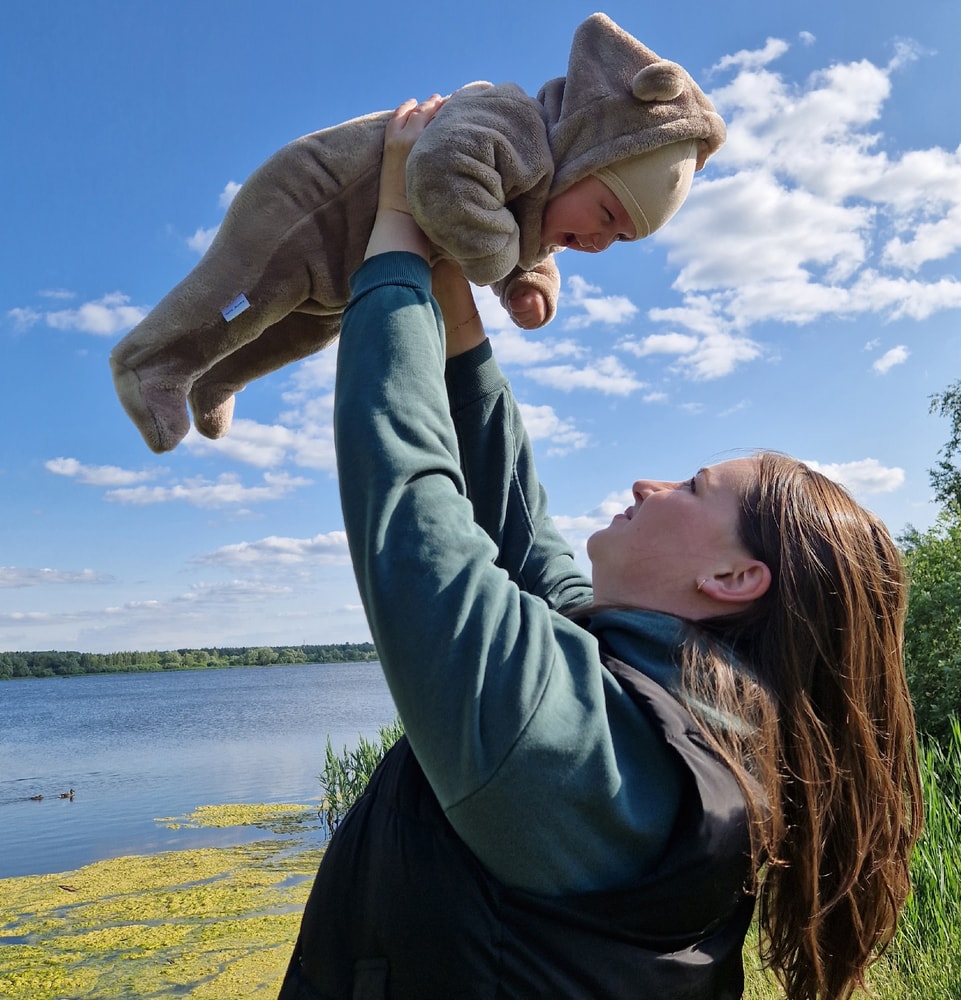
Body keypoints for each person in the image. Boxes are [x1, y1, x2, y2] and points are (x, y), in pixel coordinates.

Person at [276, 98, 923, 1000]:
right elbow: (520, 527)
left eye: (692, 488)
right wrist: (454, 293)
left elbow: (413, 517)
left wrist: (392, 239)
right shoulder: (687, 712)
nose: (649, 486)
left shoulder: (589, 751)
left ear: (733, 577)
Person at [109, 12, 726, 454]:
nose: (599, 241)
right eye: (608, 215)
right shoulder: (512, 121)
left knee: (300, 332)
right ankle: (150, 363)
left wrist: (530, 284)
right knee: (240, 294)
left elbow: (521, 238)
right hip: (308, 210)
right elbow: (441, 173)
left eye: (620, 240)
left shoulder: (538, 203)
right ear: (582, 155)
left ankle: (219, 375)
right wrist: (502, 264)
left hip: (351, 266)